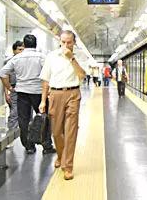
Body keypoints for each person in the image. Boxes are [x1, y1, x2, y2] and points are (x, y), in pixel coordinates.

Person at [39, 30, 87, 180]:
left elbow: (82, 75)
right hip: (55, 94)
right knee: (56, 132)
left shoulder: (80, 56)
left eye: (69, 42)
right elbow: (46, 79)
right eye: (63, 42)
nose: (66, 45)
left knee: (71, 131)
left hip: (73, 93)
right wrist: (42, 100)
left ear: (74, 42)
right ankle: (60, 155)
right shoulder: (52, 56)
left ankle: (68, 166)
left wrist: (72, 58)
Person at [0, 35, 55, 154]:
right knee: (45, 118)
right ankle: (46, 145)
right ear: (36, 44)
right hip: (38, 92)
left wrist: (9, 88)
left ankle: (28, 146)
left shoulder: (17, 58)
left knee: (23, 120)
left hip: (22, 93)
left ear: (24, 45)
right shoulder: (41, 57)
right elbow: (50, 73)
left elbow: (2, 73)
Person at [4, 40, 24, 130]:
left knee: (26, 113)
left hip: (25, 88)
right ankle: (11, 134)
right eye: (19, 49)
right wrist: (7, 93)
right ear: (14, 50)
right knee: (14, 112)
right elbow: (5, 77)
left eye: (23, 49)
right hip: (14, 89)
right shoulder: (9, 62)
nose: (21, 52)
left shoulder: (25, 61)